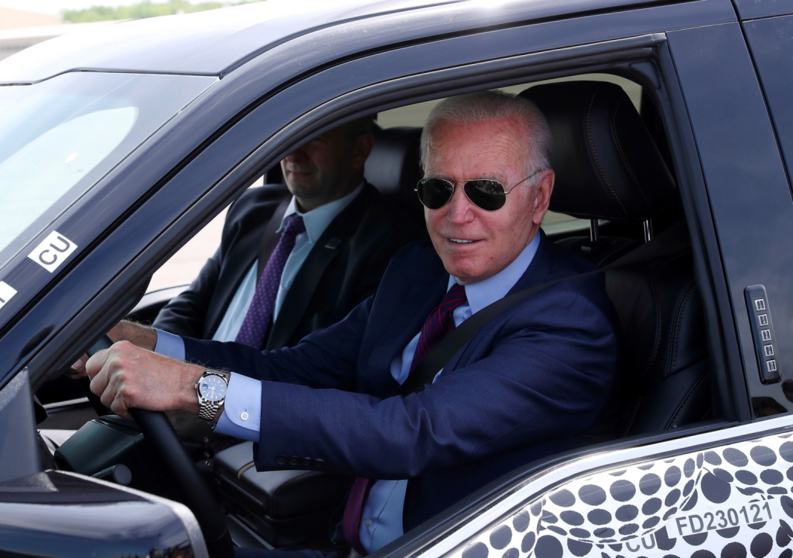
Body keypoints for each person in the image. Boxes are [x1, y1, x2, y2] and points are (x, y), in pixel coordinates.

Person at [84, 91, 619, 556]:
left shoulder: (569, 326)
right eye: (438, 190)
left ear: (540, 197)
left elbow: (409, 433)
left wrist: (196, 391)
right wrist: (153, 345)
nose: (458, 215)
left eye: (486, 191)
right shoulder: (417, 272)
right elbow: (297, 368)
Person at [146, 117, 424, 352]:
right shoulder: (252, 209)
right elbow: (191, 304)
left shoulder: (389, 247)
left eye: (316, 138)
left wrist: (192, 383)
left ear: (359, 150)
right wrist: (150, 353)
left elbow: (315, 368)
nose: (293, 153)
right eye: (291, 135)